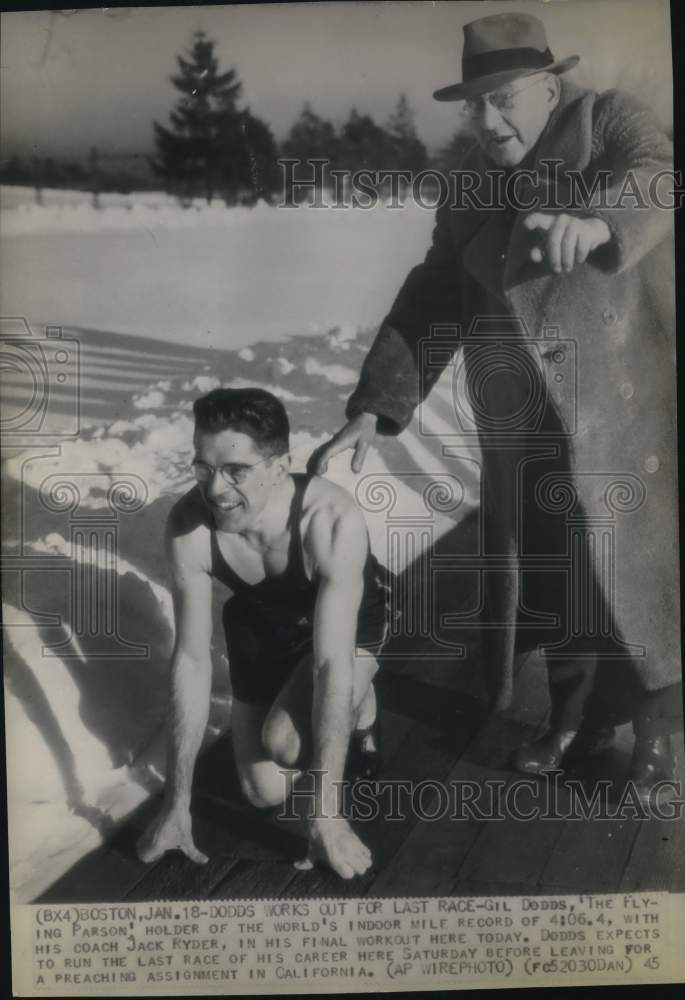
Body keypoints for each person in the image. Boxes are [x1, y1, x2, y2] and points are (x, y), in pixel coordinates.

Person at [315, 12, 681, 800]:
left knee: (641, 569)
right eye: (473, 105)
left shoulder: (608, 121)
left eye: (504, 98)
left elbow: (656, 174)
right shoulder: (467, 188)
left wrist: (596, 220)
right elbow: (431, 299)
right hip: (521, 418)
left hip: (627, 405)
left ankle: (657, 733)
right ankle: (579, 717)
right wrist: (376, 408)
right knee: (559, 573)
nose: (487, 121)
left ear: (548, 87)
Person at [138, 387, 391, 879]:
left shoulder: (330, 520)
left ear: (280, 466)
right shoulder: (190, 525)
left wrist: (326, 817)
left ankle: (367, 706)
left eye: (237, 471)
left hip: (353, 619)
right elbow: (190, 661)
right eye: (203, 469)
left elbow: (330, 663)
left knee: (288, 744)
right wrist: (176, 804)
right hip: (262, 619)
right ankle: (301, 694)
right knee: (263, 792)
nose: (215, 490)